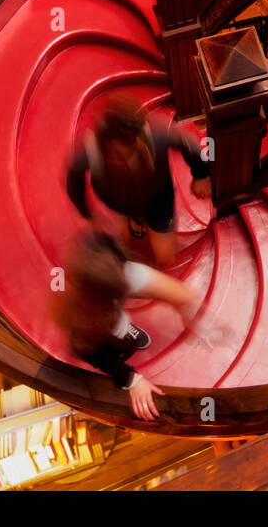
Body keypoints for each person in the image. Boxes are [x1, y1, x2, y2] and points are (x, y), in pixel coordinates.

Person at [53, 228, 200, 421]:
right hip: (101, 329)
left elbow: (179, 294)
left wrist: (190, 311)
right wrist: (131, 379)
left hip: (107, 312)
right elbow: (93, 354)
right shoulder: (82, 321)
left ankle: (122, 329)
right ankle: (121, 332)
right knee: (113, 331)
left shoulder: (118, 271)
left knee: (119, 319)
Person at [65, 98, 212, 267]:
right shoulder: (90, 153)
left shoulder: (157, 133)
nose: (122, 159)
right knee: (128, 227)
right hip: (121, 203)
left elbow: (190, 144)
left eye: (128, 151)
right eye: (116, 155)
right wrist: (88, 216)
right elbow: (73, 181)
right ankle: (137, 217)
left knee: (164, 255)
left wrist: (200, 175)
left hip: (159, 199)